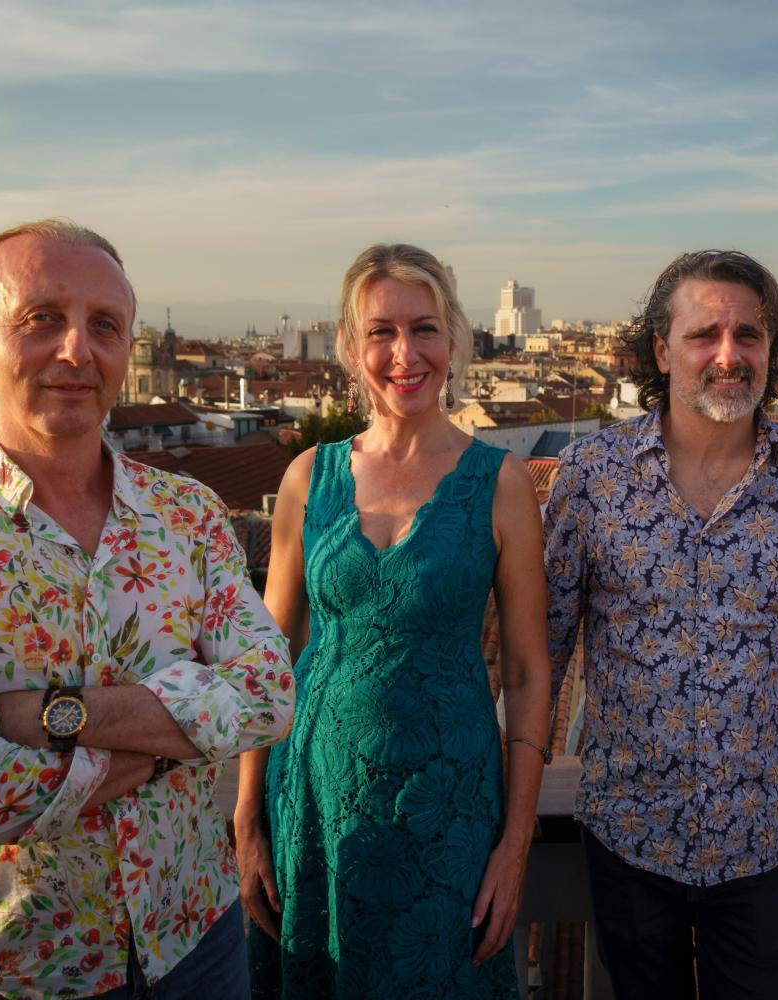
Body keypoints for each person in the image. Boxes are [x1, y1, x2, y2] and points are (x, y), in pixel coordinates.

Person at [0, 219, 294, 999]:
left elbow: (268, 695)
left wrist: (51, 715)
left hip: (197, 939)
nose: (76, 350)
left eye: (104, 325)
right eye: (41, 318)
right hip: (14, 967)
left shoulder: (190, 514)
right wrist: (173, 744)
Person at [235, 243, 552, 998]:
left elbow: (527, 671)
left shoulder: (501, 482)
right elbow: (267, 657)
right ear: (351, 348)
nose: (405, 354)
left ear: (455, 339)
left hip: (449, 809)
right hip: (314, 800)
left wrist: (515, 841)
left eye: (424, 329)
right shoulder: (307, 476)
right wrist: (248, 814)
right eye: (381, 331)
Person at [544, 249, 778, 999]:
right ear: (660, 350)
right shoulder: (591, 477)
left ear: (773, 349)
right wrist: (515, 787)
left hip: (761, 833)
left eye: (749, 334)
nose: (728, 354)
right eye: (703, 335)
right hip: (628, 831)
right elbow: (542, 654)